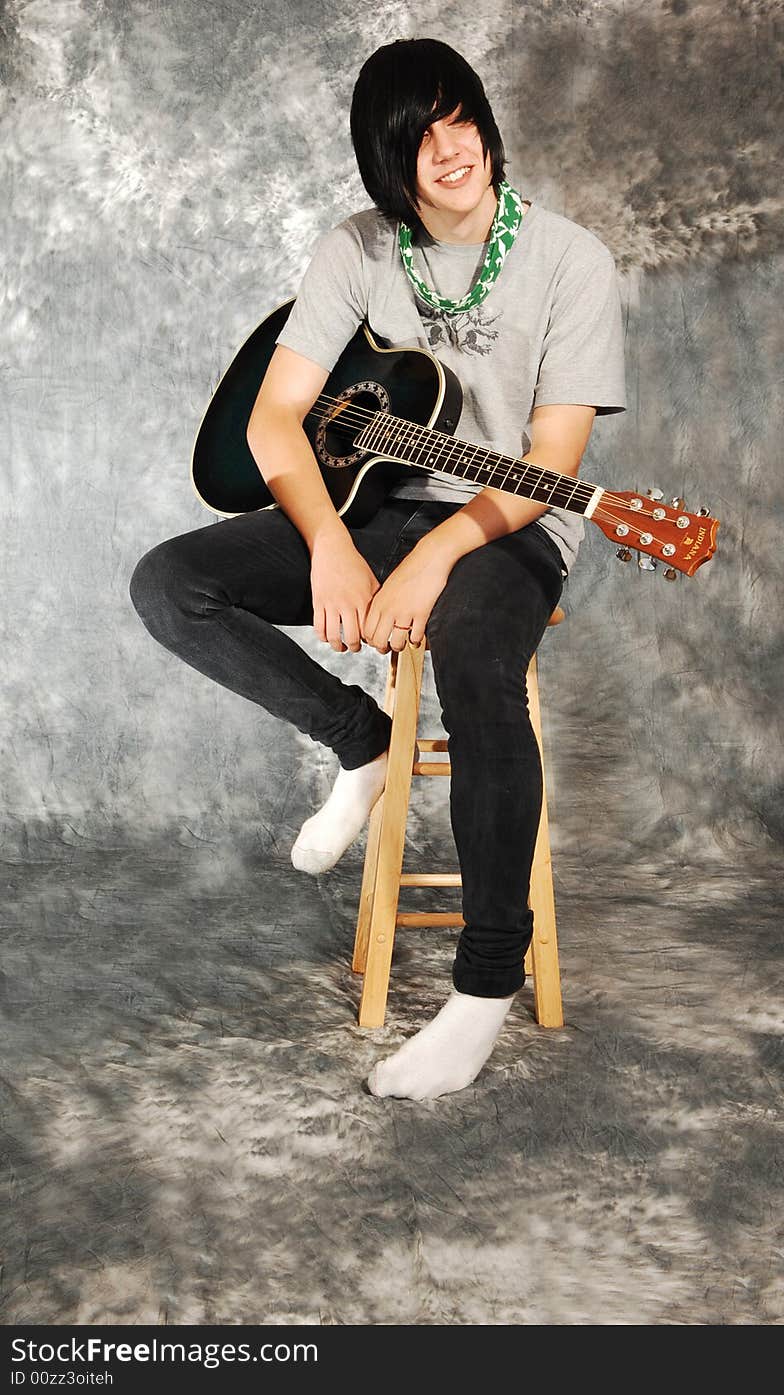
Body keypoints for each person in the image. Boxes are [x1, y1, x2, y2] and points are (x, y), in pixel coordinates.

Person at [129, 38, 626, 1101]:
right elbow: (273, 419)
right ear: (383, 164)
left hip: (509, 524)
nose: (452, 151)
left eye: (463, 121)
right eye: (420, 138)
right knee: (170, 583)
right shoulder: (356, 248)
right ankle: (360, 742)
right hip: (373, 508)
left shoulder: (569, 259)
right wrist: (331, 546)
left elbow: (551, 466)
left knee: (478, 664)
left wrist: (432, 563)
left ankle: (482, 990)